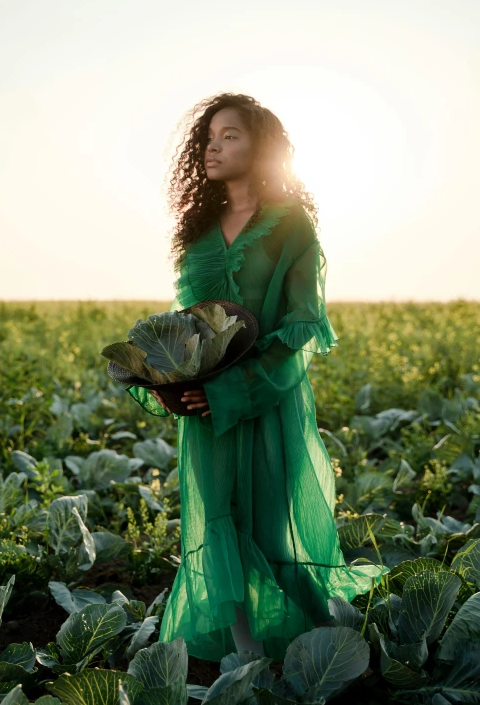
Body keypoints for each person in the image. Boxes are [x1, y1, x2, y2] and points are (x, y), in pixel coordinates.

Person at [127, 92, 386, 663]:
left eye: (230, 135)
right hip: (203, 410)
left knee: (271, 528)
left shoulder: (291, 228)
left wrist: (231, 390)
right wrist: (167, 378)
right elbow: (189, 324)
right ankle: (249, 665)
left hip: (266, 401)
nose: (212, 146)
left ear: (261, 146)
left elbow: (301, 330)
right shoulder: (197, 233)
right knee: (218, 521)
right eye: (209, 137)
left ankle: (310, 652)